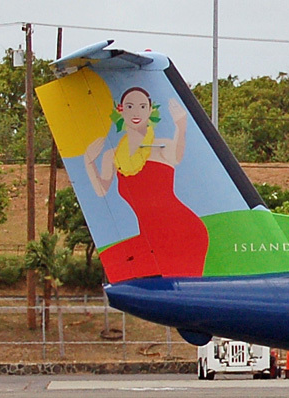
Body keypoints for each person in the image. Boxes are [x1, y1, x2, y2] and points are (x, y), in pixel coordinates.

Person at [83, 87, 209, 278]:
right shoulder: (112, 155)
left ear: (150, 110)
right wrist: (88, 162)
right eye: (130, 106)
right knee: (118, 262)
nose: (136, 112)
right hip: (151, 237)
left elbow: (177, 156)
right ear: (121, 110)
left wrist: (181, 127)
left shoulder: (162, 145)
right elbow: (101, 190)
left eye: (142, 106)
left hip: (182, 231)